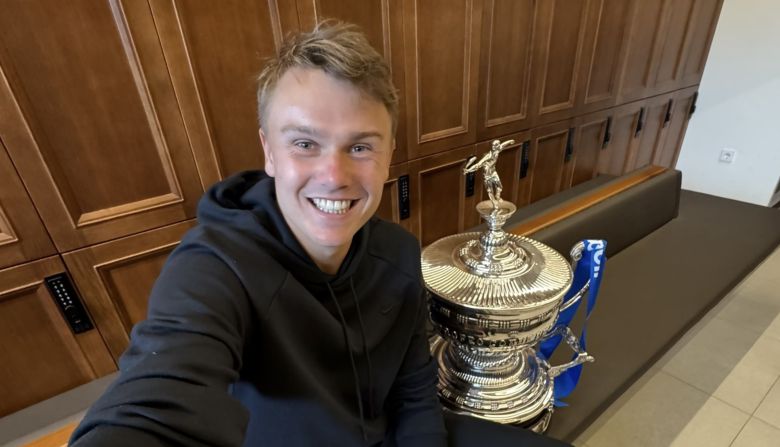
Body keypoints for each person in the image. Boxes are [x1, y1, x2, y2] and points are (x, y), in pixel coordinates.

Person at [69, 22, 571, 447]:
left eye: (360, 147)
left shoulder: (398, 252)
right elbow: (158, 399)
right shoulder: (214, 267)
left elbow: (413, 390)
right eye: (305, 143)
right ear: (269, 151)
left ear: (389, 153)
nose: (334, 176)